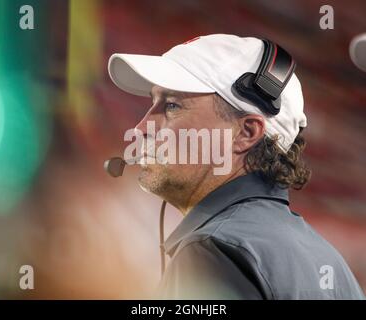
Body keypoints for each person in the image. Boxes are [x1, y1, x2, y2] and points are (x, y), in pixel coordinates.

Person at [108, 34, 364, 299]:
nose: (141, 128)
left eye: (172, 105)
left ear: (246, 133)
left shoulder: (211, 249)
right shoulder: (329, 260)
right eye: (153, 103)